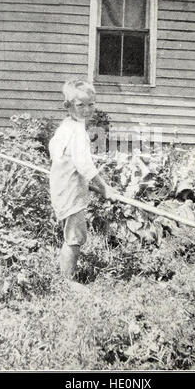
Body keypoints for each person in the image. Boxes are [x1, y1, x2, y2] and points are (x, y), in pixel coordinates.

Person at [49, 79, 115, 280]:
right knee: (74, 238)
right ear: (68, 106)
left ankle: (64, 275)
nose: (87, 110)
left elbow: (54, 151)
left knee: (70, 234)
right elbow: (84, 164)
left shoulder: (66, 126)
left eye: (91, 104)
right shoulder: (77, 131)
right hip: (71, 191)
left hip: (61, 187)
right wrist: (104, 187)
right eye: (80, 105)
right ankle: (67, 280)